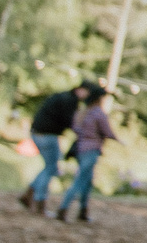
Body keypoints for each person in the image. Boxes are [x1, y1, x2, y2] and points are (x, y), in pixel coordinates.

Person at [54, 84, 116, 223]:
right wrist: (117, 139)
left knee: (87, 181)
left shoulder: (82, 112)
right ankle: (64, 208)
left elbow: (75, 128)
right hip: (91, 150)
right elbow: (108, 131)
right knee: (81, 180)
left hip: (80, 148)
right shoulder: (98, 113)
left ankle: (83, 210)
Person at [21, 81, 86, 211]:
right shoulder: (70, 101)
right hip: (47, 135)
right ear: (81, 89)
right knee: (51, 167)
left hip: (39, 132)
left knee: (49, 167)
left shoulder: (62, 97)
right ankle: (39, 200)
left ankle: (30, 193)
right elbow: (69, 122)